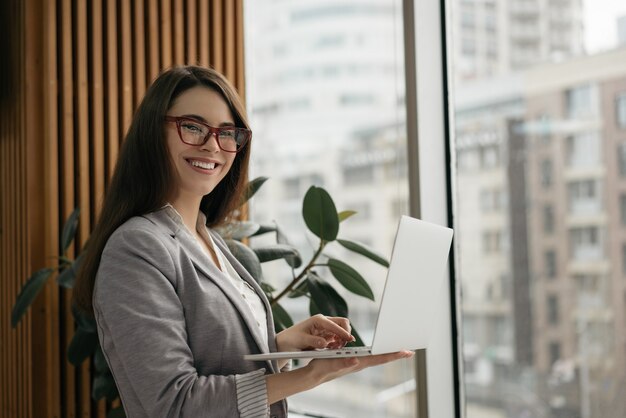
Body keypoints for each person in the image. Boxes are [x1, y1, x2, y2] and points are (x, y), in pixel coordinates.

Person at [73, 65, 413, 418]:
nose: (212, 146)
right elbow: (175, 403)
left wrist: (280, 344)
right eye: (192, 126)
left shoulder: (208, 240)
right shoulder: (135, 248)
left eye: (228, 133)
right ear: (152, 133)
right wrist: (310, 375)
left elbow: (214, 356)